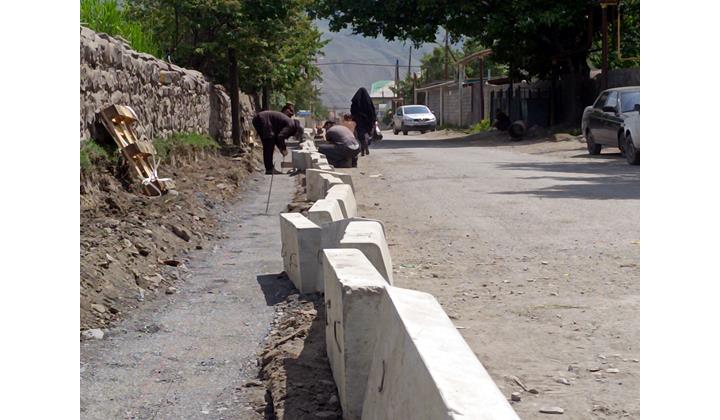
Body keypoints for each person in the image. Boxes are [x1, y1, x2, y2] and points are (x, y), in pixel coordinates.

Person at [251, 110, 301, 175]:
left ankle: (269, 168)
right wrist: (283, 149)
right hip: (264, 119)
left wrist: (281, 148)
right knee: (269, 144)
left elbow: (277, 137)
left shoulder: (290, 123)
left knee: (269, 143)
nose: (294, 136)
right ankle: (269, 169)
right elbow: (280, 137)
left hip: (260, 119)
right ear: (297, 130)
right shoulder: (291, 125)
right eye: (296, 135)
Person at [350, 87, 377, 156]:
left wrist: (354, 118)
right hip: (368, 121)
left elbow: (352, 110)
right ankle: (366, 147)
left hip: (359, 120)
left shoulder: (356, 101)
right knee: (366, 135)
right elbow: (372, 110)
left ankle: (363, 149)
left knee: (360, 135)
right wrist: (373, 120)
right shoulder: (368, 101)